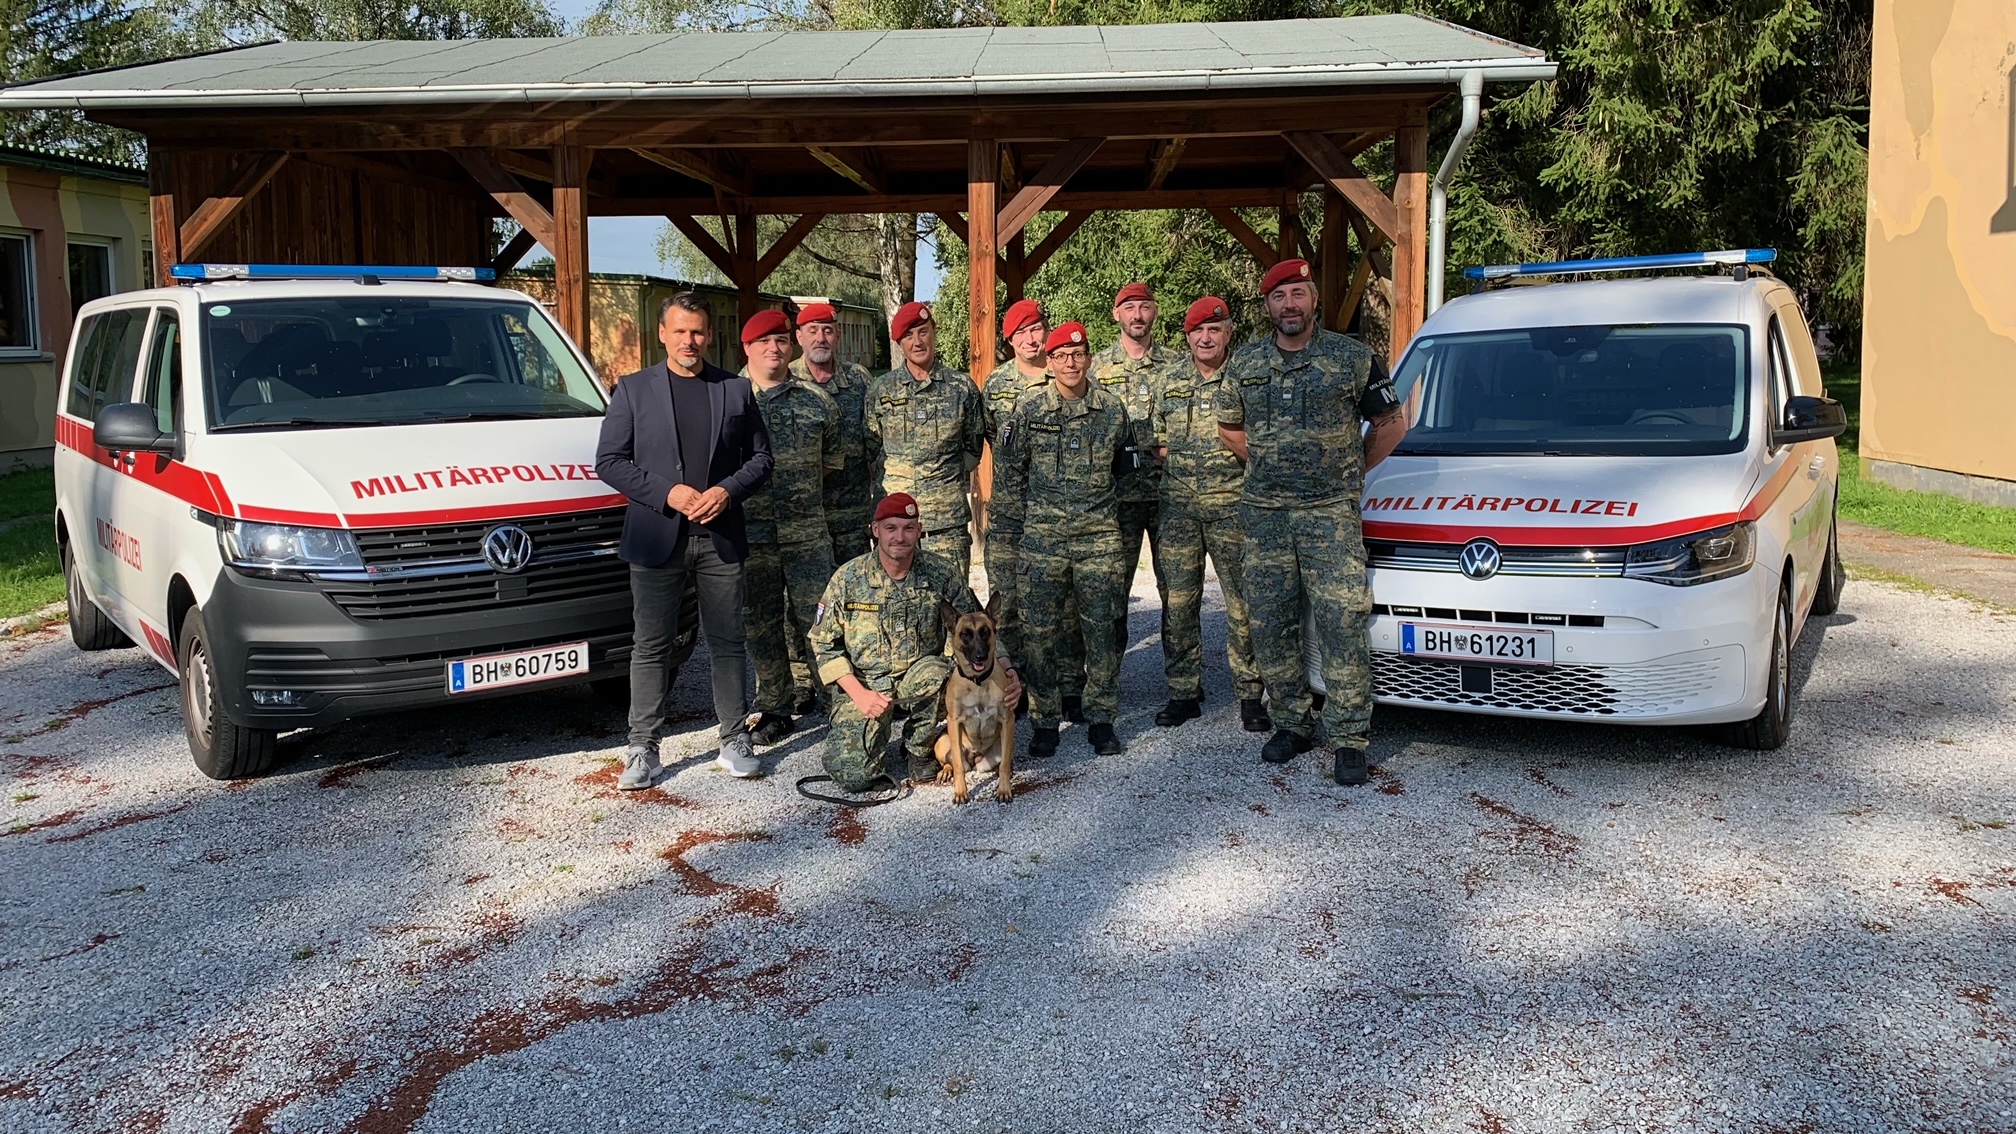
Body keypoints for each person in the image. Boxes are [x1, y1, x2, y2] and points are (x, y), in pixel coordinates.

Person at [1215, 260, 1406, 786]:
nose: (1290, 304)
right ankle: (1293, 722)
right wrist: (1268, 466)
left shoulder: (1352, 357)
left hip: (1330, 515)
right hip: (1265, 515)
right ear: (1268, 306)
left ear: (1314, 299)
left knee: (1341, 622)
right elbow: (1229, 428)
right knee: (1271, 621)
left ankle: (1348, 736)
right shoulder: (1246, 361)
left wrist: (1349, 472)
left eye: (1298, 293)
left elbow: (1392, 423)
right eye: (1280, 297)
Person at [596, 291, 774, 789]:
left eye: (697, 331)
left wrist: (727, 491)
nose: (689, 340)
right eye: (679, 331)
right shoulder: (632, 390)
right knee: (651, 644)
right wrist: (666, 493)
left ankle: (735, 739)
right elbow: (609, 461)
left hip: (719, 537)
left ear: (708, 335)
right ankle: (642, 749)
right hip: (658, 539)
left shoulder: (734, 389)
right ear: (662, 334)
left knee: (727, 643)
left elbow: (761, 460)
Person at [994, 322, 1146, 758]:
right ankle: (1045, 719)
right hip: (1043, 537)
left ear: (1089, 358)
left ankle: (1101, 717)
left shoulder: (1112, 410)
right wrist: (1029, 522)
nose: (1070, 363)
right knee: (1039, 631)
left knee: (1103, 627)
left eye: (1078, 355)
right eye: (1061, 356)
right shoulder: (1028, 410)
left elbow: (1125, 467)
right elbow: (1010, 470)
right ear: (1051, 361)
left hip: (1098, 535)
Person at [810, 493, 1020, 793]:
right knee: (852, 774)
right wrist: (858, 694)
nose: (900, 536)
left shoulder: (940, 572)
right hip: (867, 687)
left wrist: (1009, 672)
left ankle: (919, 749)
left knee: (938, 673)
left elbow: (977, 626)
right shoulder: (847, 579)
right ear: (876, 530)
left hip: (920, 681)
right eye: (891, 528)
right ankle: (881, 740)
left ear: (919, 531)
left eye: (908, 528)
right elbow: (823, 645)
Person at [1154, 297, 1267, 732]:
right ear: (1187, 337)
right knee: (1180, 604)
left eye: (1214, 330)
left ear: (1228, 333)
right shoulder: (1170, 380)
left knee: (1241, 604)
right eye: (1198, 331)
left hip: (1231, 508)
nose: (1206, 338)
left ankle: (1250, 693)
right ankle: (1183, 691)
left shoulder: (1246, 378)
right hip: (1179, 511)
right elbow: (1158, 443)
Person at [738, 309, 843, 746]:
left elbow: (831, 464)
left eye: (781, 340)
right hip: (750, 534)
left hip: (806, 534)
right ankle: (776, 706)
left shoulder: (817, 401)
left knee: (819, 622)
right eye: (765, 342)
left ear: (790, 345)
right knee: (760, 624)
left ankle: (837, 703)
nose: (774, 349)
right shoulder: (729, 399)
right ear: (748, 348)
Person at [980, 298, 1082, 717]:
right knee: (1010, 601)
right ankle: (1014, 683)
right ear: (1009, 341)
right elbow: (989, 441)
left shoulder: (1065, 374)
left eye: (1035, 328)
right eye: (1020, 333)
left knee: (1066, 603)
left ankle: (1071, 685)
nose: (1030, 338)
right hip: (1008, 513)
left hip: (1059, 513)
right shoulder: (997, 385)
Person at [1089, 282, 1184, 675]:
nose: (1138, 315)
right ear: (1117, 315)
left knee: (1177, 595)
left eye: (1144, 307)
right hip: (1118, 501)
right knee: (1112, 595)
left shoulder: (1178, 365)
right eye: (1129, 308)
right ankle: (1106, 684)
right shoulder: (1095, 367)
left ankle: (1182, 684)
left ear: (1155, 311)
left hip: (1169, 496)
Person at [865, 301, 986, 583]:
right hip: (894, 526)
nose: (917, 342)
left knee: (951, 607)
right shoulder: (880, 390)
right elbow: (870, 450)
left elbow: (973, 448)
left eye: (923, 331)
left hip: (946, 525)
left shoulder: (962, 388)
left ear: (934, 332)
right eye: (909, 336)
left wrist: (942, 479)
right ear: (899, 342)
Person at [790, 303, 875, 569]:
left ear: (837, 337)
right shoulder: (786, 378)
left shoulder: (858, 379)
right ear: (799, 336)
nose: (820, 338)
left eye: (827, 330)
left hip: (852, 515)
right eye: (812, 330)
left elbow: (875, 438)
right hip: (801, 517)